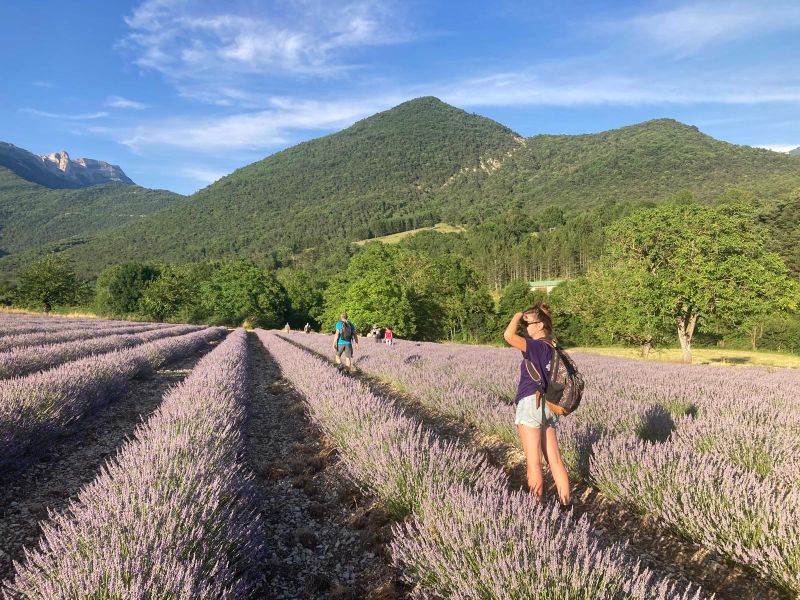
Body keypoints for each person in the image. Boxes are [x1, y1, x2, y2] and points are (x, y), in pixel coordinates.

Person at [503, 303, 571, 507]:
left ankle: (536, 509)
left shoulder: (537, 346)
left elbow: (508, 336)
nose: (526, 329)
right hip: (549, 406)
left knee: (533, 462)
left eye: (529, 324)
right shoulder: (554, 347)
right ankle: (567, 505)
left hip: (531, 403)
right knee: (555, 461)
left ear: (540, 325)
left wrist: (516, 315)